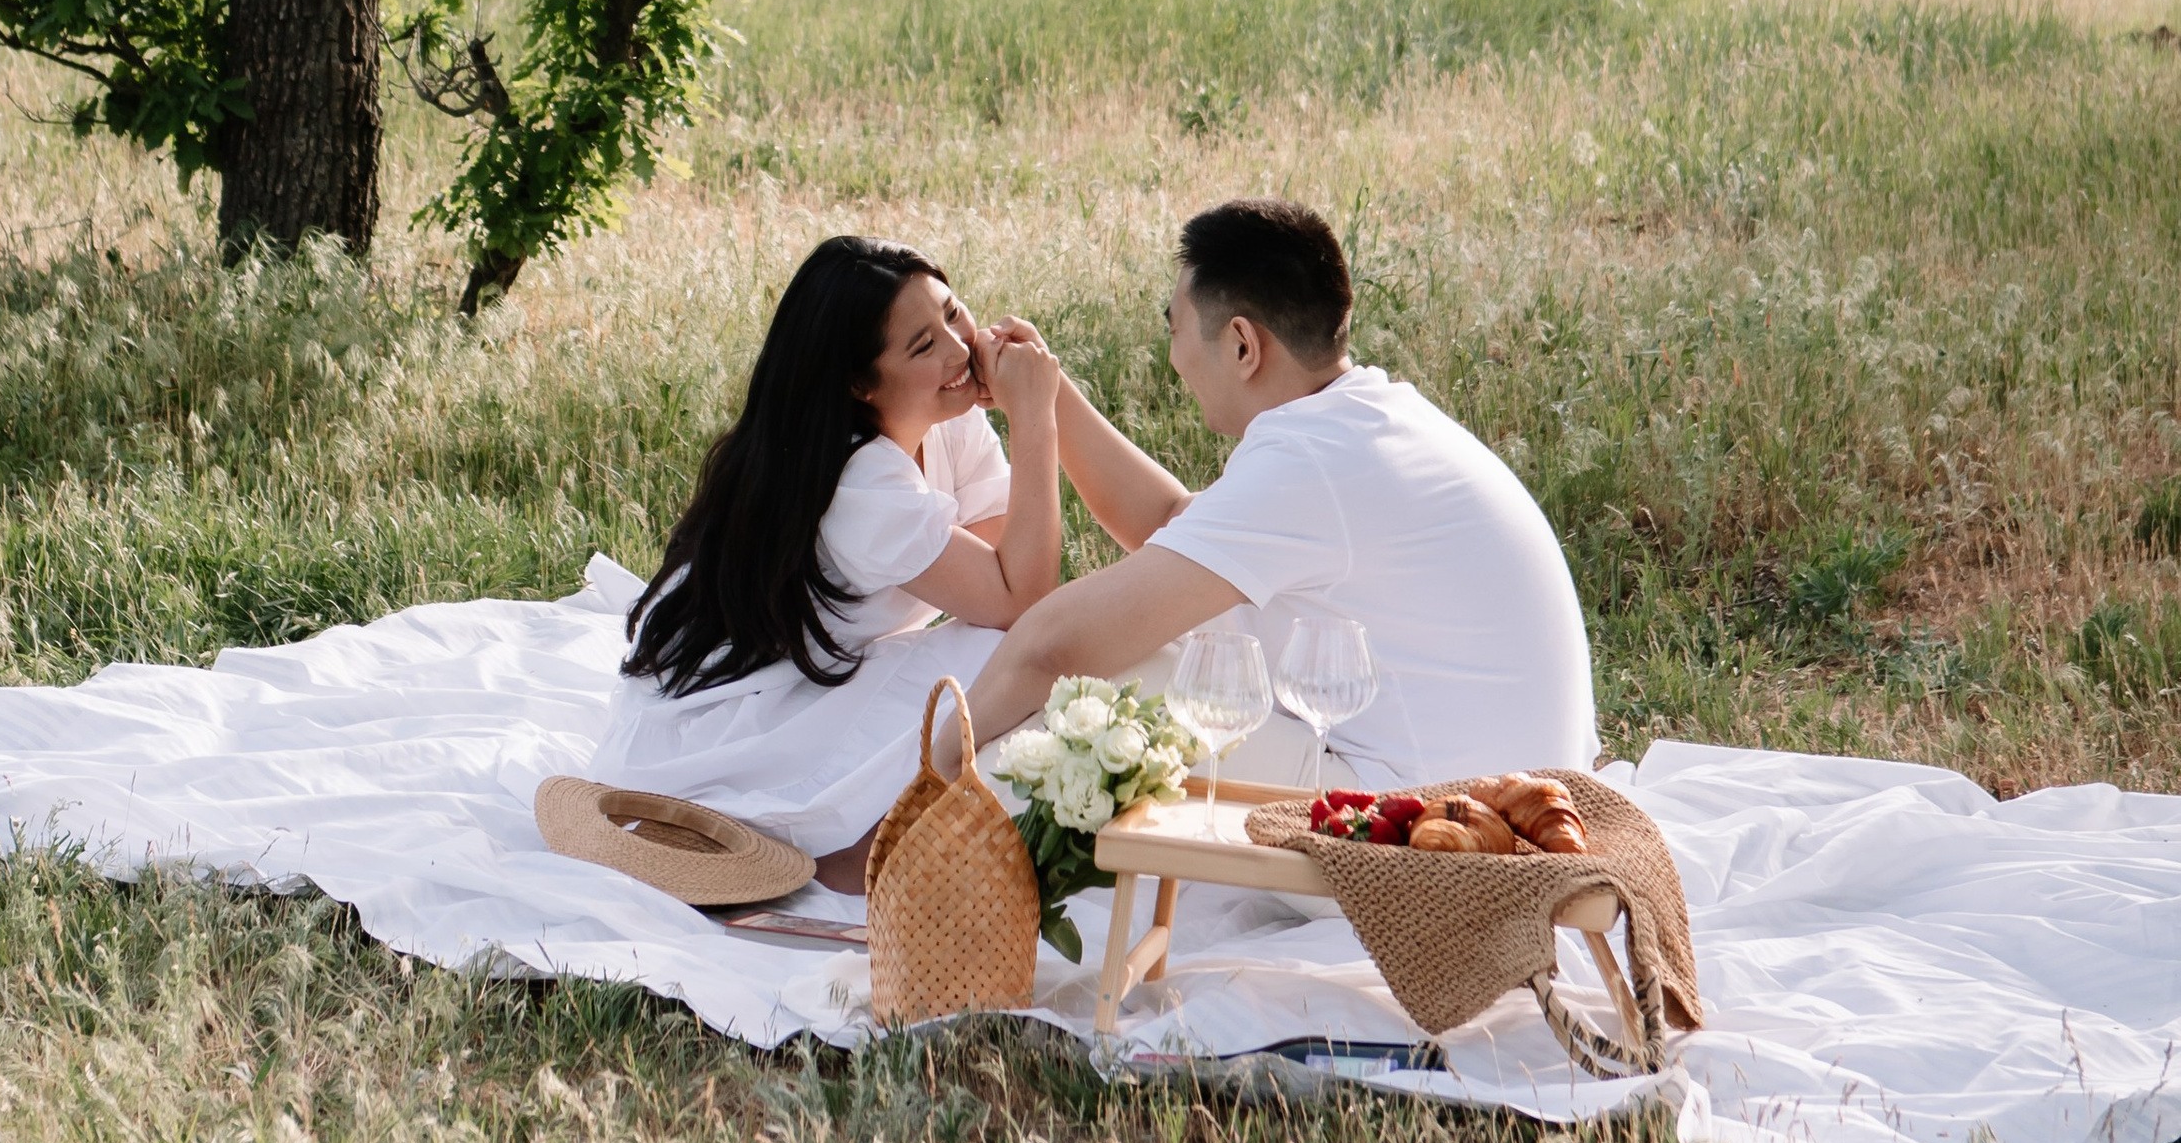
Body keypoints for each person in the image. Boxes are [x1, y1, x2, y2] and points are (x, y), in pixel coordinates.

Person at [968, 197, 1597, 784]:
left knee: (1116, 677)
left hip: (1434, 824)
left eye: (1174, 327)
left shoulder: (1308, 461)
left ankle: (939, 822)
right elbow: (1169, 519)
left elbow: (1052, 643)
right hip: (1519, 793)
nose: (1173, 356)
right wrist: (1048, 394)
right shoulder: (1362, 423)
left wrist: (933, 774)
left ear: (1243, 345)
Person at [590, 234, 1064, 861]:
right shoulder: (857, 477)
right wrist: (1035, 418)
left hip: (813, 664)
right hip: (728, 712)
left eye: (953, 313)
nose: (958, 349)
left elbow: (1005, 564)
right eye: (923, 345)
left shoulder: (948, 417)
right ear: (860, 384)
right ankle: (854, 844)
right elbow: (1020, 596)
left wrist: (989, 574)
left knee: (1002, 656)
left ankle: (886, 822)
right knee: (1001, 658)